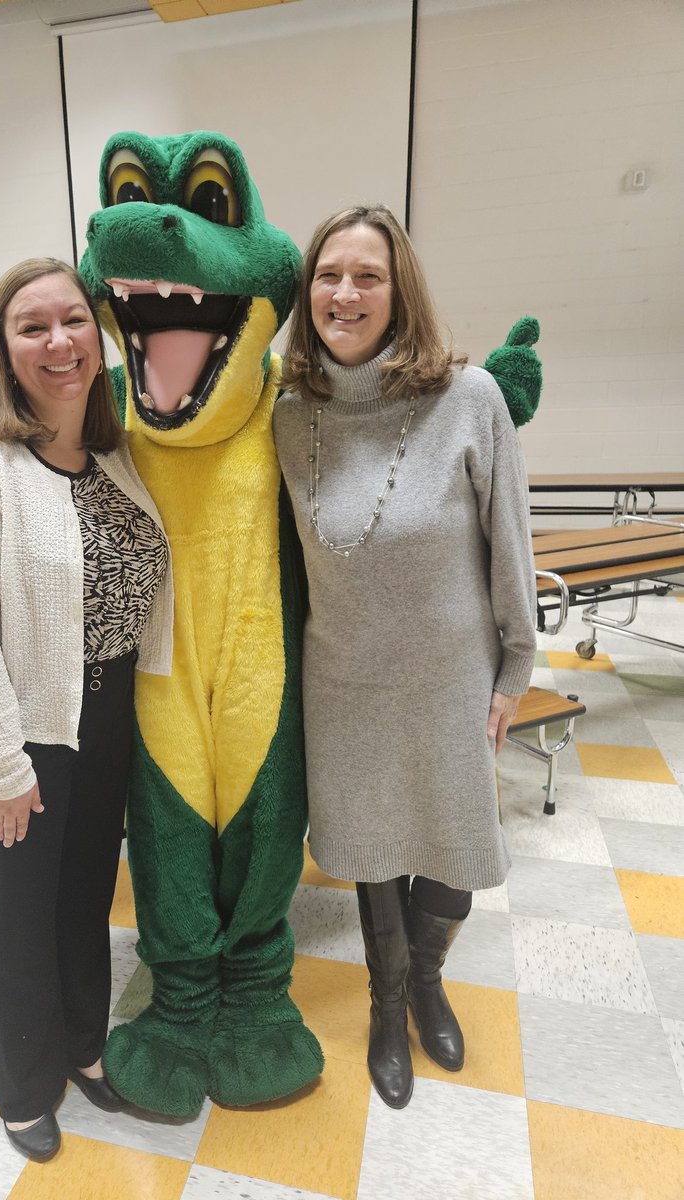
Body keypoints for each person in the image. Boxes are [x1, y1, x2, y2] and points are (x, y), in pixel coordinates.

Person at [273, 206, 537, 1109]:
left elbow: (511, 545)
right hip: (343, 678)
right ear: (307, 292)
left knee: (455, 845)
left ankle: (428, 982)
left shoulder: (469, 400)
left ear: (399, 291)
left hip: (451, 675)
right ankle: (388, 1004)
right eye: (328, 276)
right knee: (373, 846)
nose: (345, 294)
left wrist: (516, 669)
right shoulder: (287, 414)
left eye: (368, 276)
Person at [0, 257, 173, 1159]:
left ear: (100, 341)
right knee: (17, 910)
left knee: (82, 898)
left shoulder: (114, 459)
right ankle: (22, 1085)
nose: (60, 342)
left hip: (99, 716)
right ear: (4, 349)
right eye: (34, 327)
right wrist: (3, 763)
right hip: (4, 726)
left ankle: (82, 1045)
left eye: (74, 321)